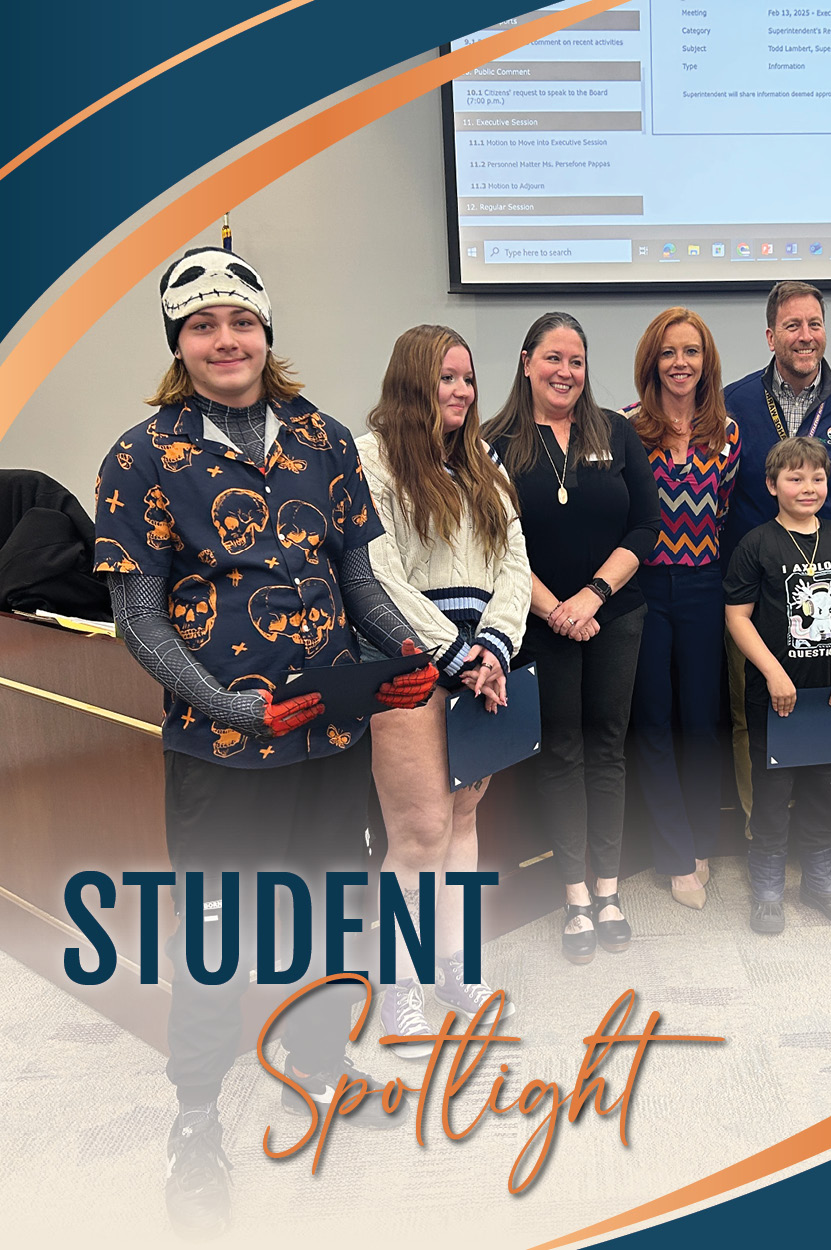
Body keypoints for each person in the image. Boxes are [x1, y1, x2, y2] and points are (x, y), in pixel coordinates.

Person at [93, 247, 438, 1238]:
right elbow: (139, 619)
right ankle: (194, 1119)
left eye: (238, 321)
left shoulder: (325, 437)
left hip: (329, 741)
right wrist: (229, 706)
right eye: (201, 325)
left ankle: (318, 1073)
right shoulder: (142, 455)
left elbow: (360, 581)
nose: (224, 339)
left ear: (265, 333)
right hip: (222, 756)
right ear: (179, 344)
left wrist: (408, 655)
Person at [356, 325, 531, 1048]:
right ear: (411, 382)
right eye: (445, 378)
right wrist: (453, 652)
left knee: (462, 822)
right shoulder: (368, 459)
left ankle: (454, 972)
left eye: (467, 379)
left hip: (482, 669)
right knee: (419, 834)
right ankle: (398, 986)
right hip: (407, 669)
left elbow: (515, 561)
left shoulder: (484, 461)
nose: (460, 391)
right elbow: (378, 574)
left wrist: (493, 647)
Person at [483, 312, 661, 963]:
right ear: (527, 361)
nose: (565, 372)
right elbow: (491, 540)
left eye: (576, 361)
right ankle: (575, 896)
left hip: (614, 613)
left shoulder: (614, 431)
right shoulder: (494, 441)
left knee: (609, 747)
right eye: (553, 358)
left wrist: (592, 596)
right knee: (561, 752)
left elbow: (646, 526)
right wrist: (555, 607)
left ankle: (610, 890)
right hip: (538, 621)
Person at [723, 280, 831, 895]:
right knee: (753, 713)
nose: (805, 335)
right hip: (755, 590)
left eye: (814, 323)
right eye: (791, 325)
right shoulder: (735, 401)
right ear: (771, 336)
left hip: (828, 591)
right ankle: (760, 837)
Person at [724, 437, 831, 934]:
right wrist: (773, 672)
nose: (808, 487)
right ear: (772, 485)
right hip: (776, 695)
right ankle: (767, 883)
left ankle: (820, 877)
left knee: (825, 790)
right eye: (795, 477)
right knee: (771, 791)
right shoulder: (757, 543)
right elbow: (737, 616)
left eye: (817, 477)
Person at [621, 308, 740, 910]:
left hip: (702, 588)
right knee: (654, 723)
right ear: (652, 361)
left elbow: (724, 514)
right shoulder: (625, 428)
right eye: (668, 353)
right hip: (642, 590)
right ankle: (672, 852)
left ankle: (699, 841)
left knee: (701, 721)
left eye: (691, 352)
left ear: (706, 361)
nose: (680, 363)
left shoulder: (728, 432)